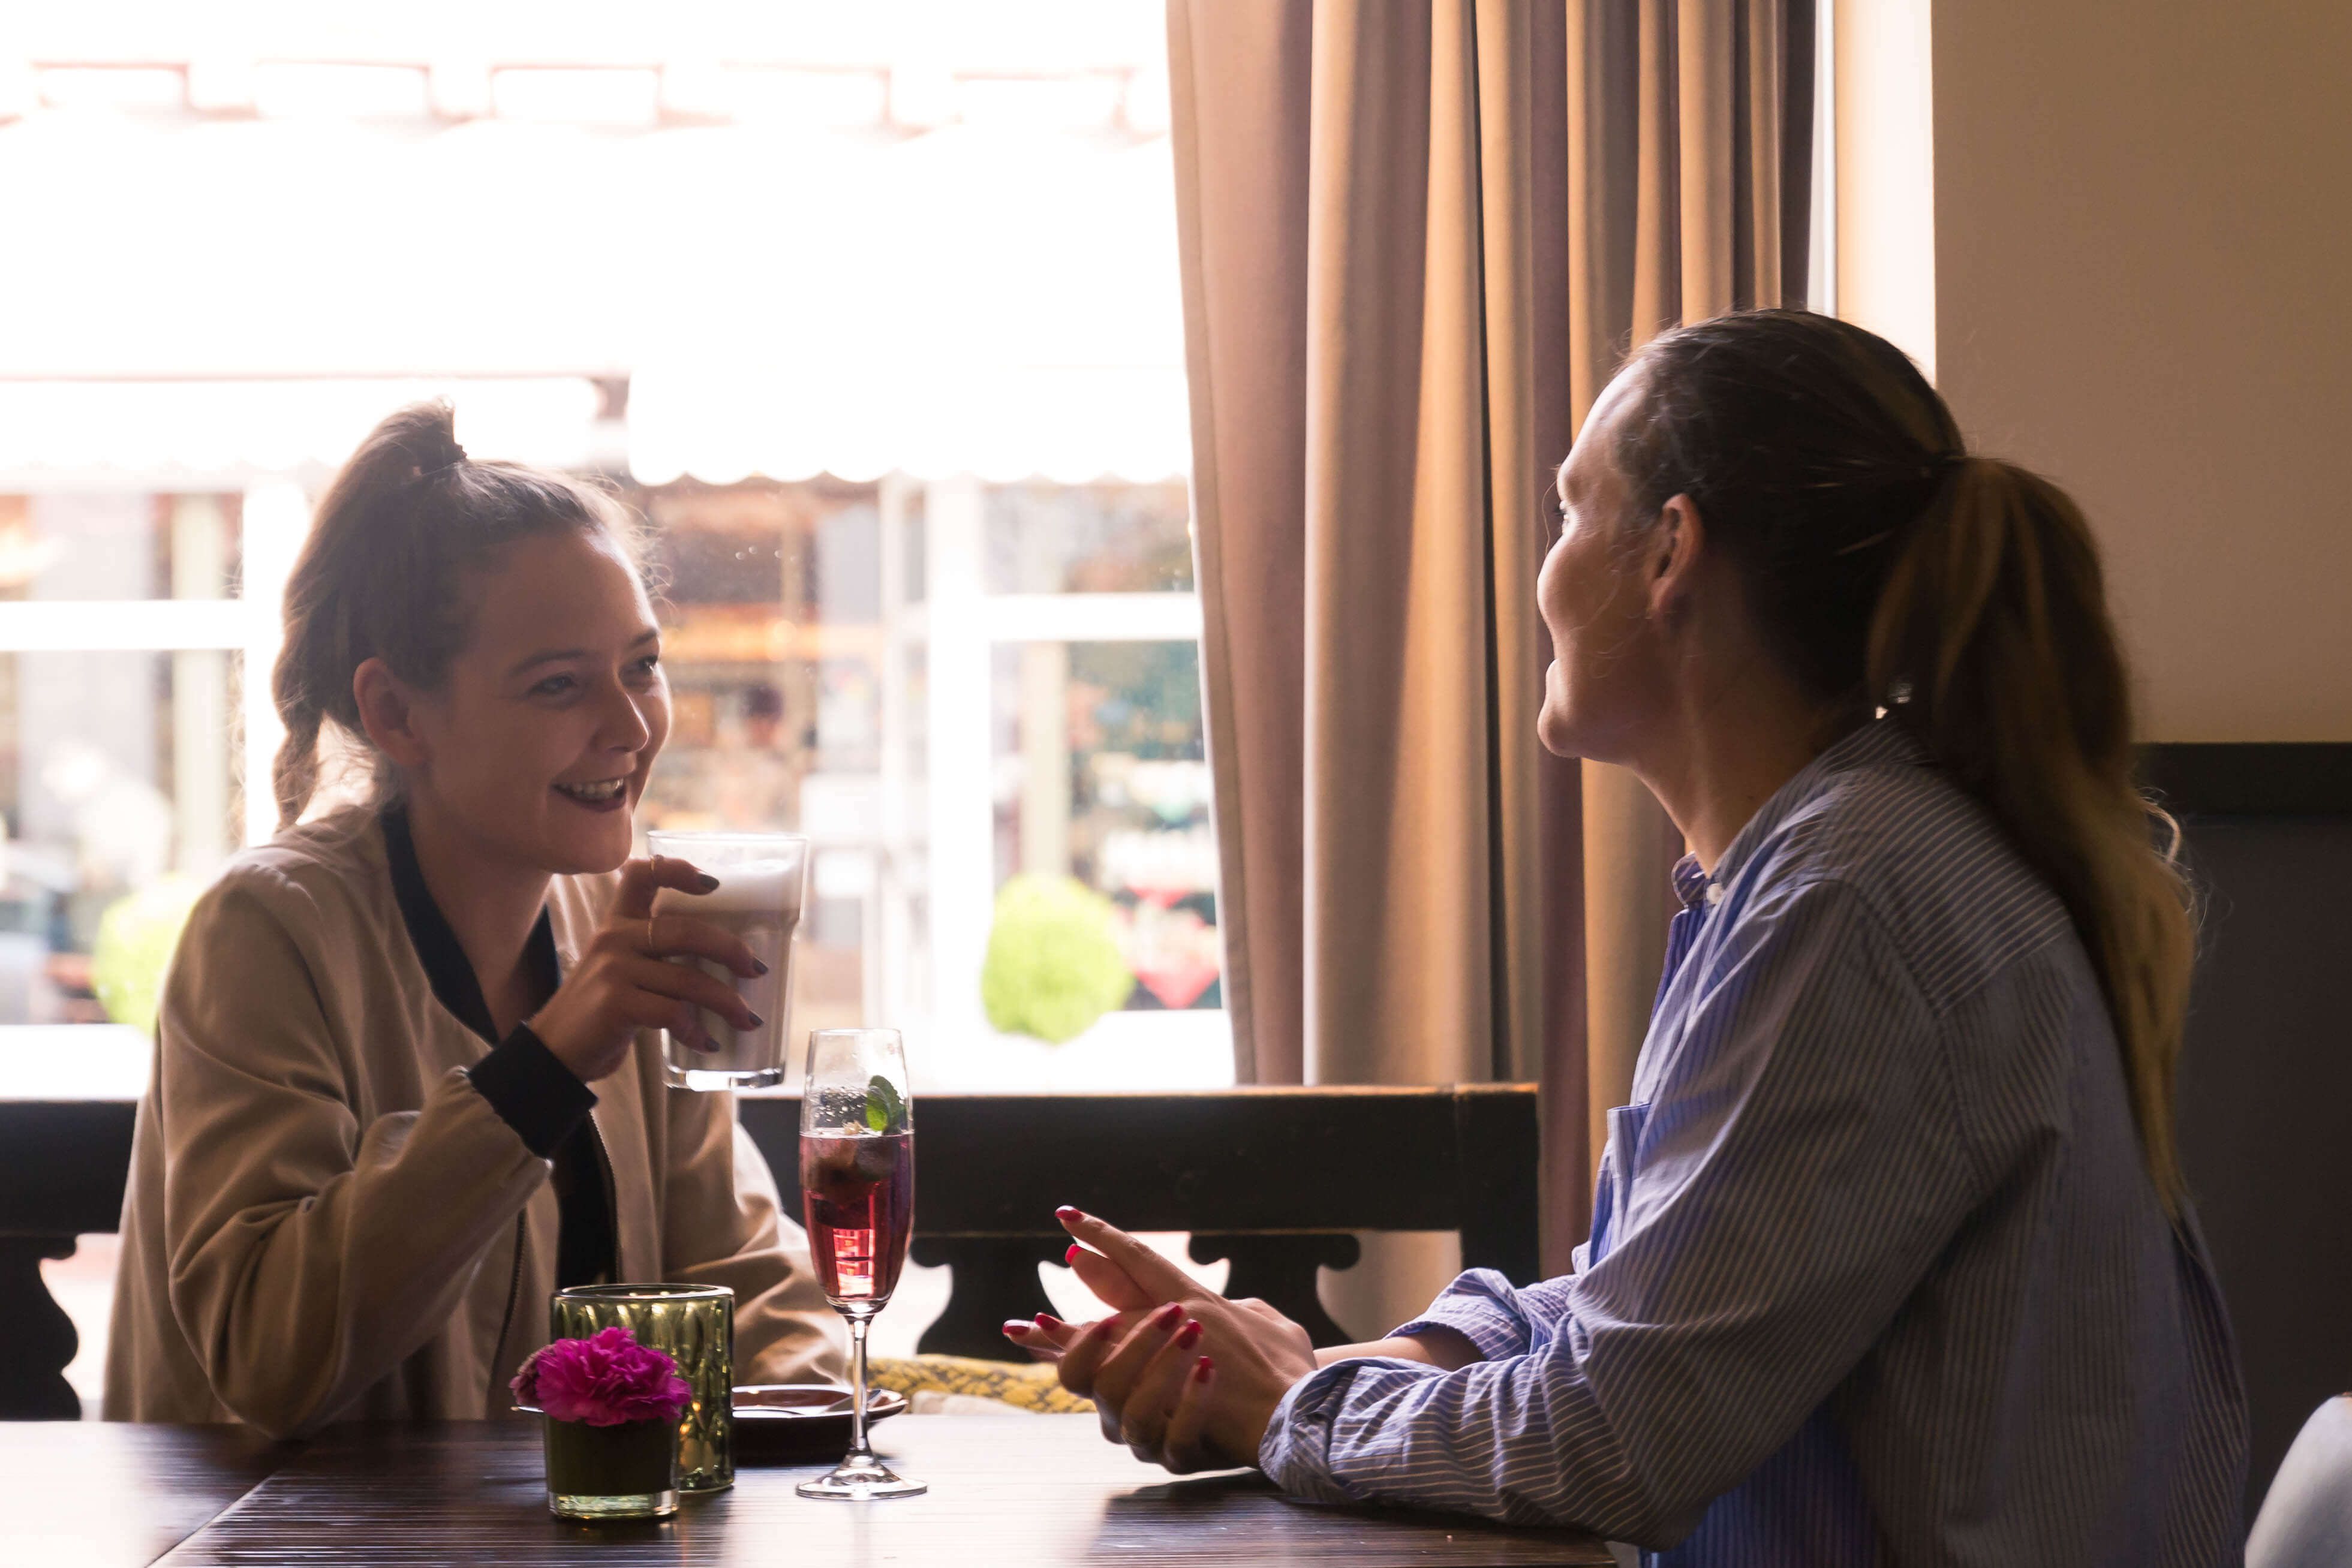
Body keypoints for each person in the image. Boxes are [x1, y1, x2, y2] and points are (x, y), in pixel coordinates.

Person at [1008, 311, 2248, 1564]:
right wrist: (1348, 1361)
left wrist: (1289, 1405)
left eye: (1566, 512)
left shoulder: (1848, 898)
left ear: (1667, 554)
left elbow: (1616, 1438)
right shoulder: (1834, 863)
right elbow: (1667, 1313)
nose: (1542, 569)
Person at [107, 404, 844, 1437]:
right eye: (558, 685)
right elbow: (264, 1359)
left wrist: (819, 1410)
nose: (632, 728)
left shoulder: (625, 923)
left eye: (642, 664)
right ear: (397, 714)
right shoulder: (270, 930)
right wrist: (541, 1072)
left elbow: (752, 1283)